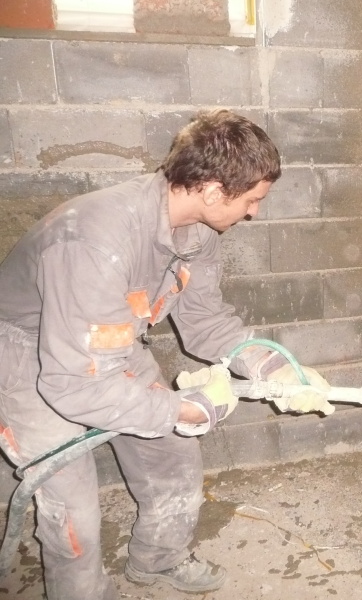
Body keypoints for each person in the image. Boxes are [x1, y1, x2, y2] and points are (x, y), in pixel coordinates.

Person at [0, 109, 333, 599]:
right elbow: (75, 384)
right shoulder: (96, 241)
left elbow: (205, 321)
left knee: (172, 454)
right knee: (72, 505)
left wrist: (275, 368)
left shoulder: (197, 233)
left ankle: (158, 559)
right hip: (28, 353)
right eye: (253, 199)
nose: (254, 213)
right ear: (214, 191)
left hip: (109, 341)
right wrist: (185, 408)